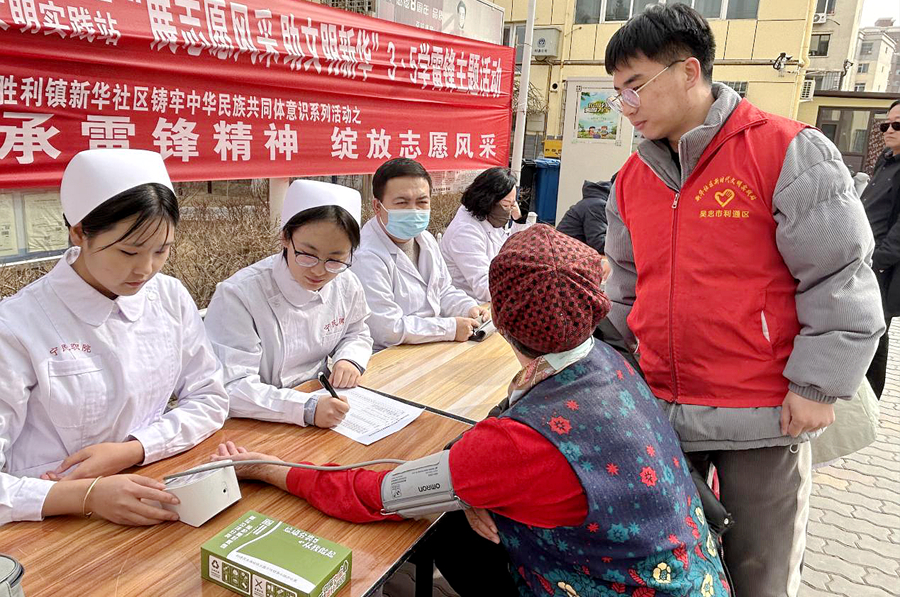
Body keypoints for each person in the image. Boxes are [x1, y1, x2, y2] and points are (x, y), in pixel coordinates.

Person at [211, 226, 730, 597]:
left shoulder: (519, 442)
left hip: (605, 583)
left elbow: (372, 494)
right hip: (692, 575)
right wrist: (475, 480)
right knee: (455, 513)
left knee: (440, 524)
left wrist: (266, 468)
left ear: (500, 316)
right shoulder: (610, 363)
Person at [602, 4, 884, 596]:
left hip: (764, 415)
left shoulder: (788, 150)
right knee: (670, 567)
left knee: (761, 571)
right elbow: (624, 289)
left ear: (688, 71)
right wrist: (618, 373)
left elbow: (840, 275)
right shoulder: (631, 178)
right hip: (662, 412)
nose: (626, 104)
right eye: (618, 92)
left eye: (635, 85)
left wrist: (818, 385)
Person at [0, 149, 229, 527]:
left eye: (161, 250)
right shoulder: (17, 325)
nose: (146, 269)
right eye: (128, 251)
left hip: (151, 489)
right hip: (45, 521)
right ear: (79, 232)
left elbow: (210, 397)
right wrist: (85, 495)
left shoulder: (168, 297)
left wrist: (133, 450)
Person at [204, 180, 372, 428]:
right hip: (257, 418)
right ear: (285, 237)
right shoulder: (240, 295)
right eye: (307, 255)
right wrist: (306, 408)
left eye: (335, 259)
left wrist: (349, 359)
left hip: (323, 400)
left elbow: (357, 331)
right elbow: (232, 386)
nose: (319, 271)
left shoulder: (346, 283)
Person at [351, 158, 488, 350]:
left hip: (431, 346)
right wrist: (450, 328)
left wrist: (467, 307)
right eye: (402, 202)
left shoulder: (425, 239)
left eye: (422, 202)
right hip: (389, 355)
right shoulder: (365, 256)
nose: (414, 211)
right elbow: (388, 329)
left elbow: (443, 290)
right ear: (377, 206)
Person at [862, 100, 900, 399]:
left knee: (874, 334)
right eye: (885, 124)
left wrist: (878, 261)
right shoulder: (886, 160)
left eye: (897, 125)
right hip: (864, 259)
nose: (888, 130)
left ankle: (869, 405)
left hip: (882, 268)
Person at [440, 167, 519, 302]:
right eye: (506, 205)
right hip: (468, 304)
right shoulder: (465, 232)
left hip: (487, 300)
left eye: (513, 204)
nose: (510, 210)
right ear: (488, 201)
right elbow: (484, 287)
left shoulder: (488, 219)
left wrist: (519, 220)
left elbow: (514, 249)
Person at [556, 174, 616, 281]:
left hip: (565, 257)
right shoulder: (597, 205)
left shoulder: (595, 202)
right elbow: (598, 242)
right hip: (565, 261)